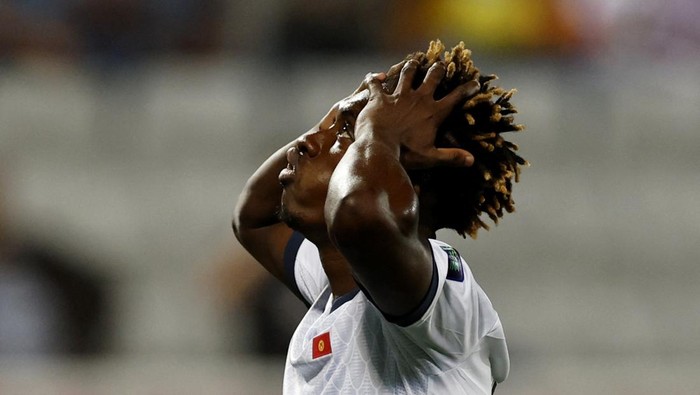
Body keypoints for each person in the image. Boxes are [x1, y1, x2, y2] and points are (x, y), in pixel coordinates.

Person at [232, 40, 526, 394]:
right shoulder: (337, 283)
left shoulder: (443, 295)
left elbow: (360, 212)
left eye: (347, 135)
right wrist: (342, 113)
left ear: (404, 183)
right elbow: (254, 217)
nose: (306, 143)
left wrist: (378, 133)